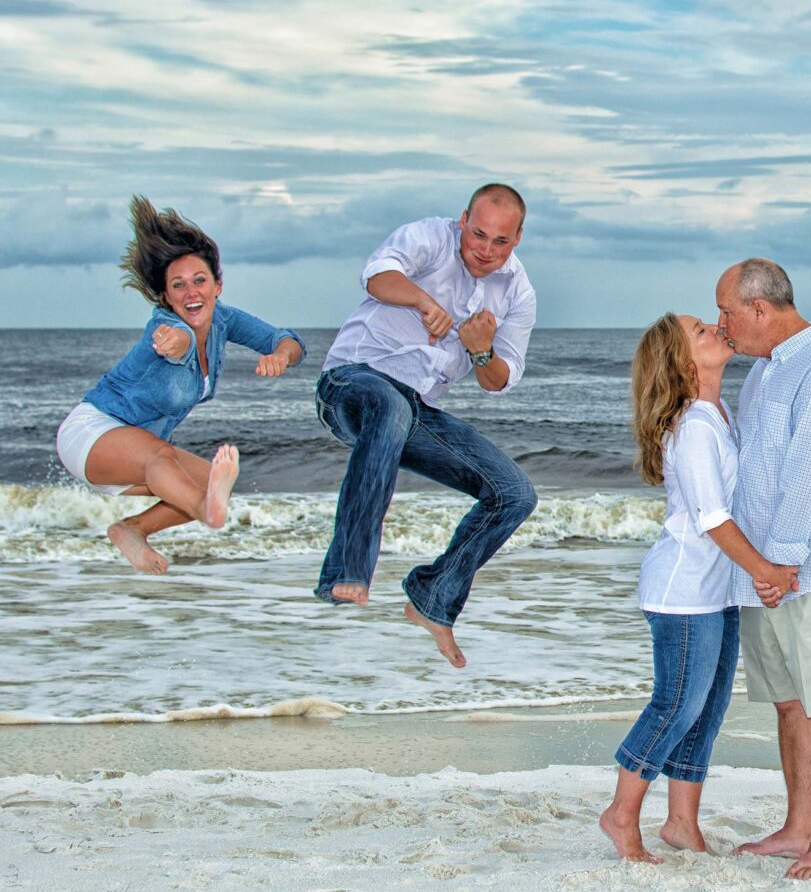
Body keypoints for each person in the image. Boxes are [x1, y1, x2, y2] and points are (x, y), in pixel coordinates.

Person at [598, 313, 798, 864]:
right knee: (675, 707)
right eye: (701, 331)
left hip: (716, 589)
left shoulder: (718, 413)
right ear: (685, 363)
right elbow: (712, 518)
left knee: (706, 711)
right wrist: (765, 569)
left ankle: (682, 822)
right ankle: (620, 815)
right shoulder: (693, 429)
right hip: (682, 590)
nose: (715, 327)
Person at [314, 183, 538, 669]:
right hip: (352, 381)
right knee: (388, 408)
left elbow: (498, 380)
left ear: (517, 238)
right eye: (478, 235)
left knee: (514, 493)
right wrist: (422, 301)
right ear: (463, 221)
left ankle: (434, 597)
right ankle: (347, 567)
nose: (485, 250)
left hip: (415, 407)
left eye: (500, 242)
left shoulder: (518, 292)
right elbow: (376, 275)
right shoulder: (431, 238)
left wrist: (481, 350)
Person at [714, 258, 811, 880]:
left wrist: (781, 561)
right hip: (766, 569)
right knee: (788, 703)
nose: (722, 324)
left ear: (760, 308)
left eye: (727, 312)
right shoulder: (762, 374)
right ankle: (797, 825)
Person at [56, 196, 305, 574]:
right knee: (167, 460)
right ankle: (207, 512)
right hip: (92, 433)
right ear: (166, 297)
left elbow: (287, 339)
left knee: (209, 481)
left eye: (199, 281)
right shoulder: (166, 326)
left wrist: (281, 357)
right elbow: (178, 341)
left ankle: (131, 530)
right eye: (179, 285)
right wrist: (178, 342)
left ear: (217, 285)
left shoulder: (224, 320)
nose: (191, 293)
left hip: (134, 449)